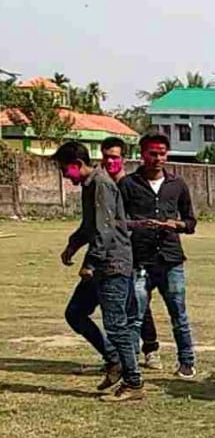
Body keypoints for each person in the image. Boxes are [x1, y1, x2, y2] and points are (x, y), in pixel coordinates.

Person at [55, 141, 144, 400]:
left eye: (64, 170)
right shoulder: (89, 185)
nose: (64, 175)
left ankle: (134, 383)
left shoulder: (102, 185)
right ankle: (113, 359)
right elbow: (89, 226)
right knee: (75, 313)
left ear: (77, 164)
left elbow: (104, 231)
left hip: (112, 264)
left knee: (117, 325)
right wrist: (72, 246)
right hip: (102, 263)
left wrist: (89, 264)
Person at [118, 133, 199, 379]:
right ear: (142, 154)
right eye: (152, 153)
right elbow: (119, 222)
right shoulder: (129, 184)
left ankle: (186, 362)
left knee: (179, 314)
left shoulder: (177, 185)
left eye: (162, 153)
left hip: (171, 259)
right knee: (135, 317)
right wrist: (140, 225)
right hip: (139, 259)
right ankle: (130, 367)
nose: (158, 158)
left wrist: (176, 225)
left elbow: (191, 222)